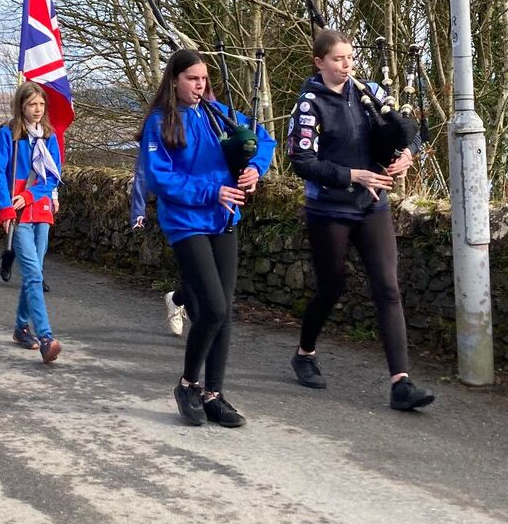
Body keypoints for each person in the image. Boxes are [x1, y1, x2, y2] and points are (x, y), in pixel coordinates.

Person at [286, 29, 435, 411]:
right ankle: (304, 353)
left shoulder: (369, 92)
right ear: (319, 63)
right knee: (332, 286)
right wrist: (355, 175)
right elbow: (302, 162)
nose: (346, 64)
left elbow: (410, 132)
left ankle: (401, 383)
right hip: (329, 209)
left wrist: (407, 156)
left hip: (373, 207)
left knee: (388, 288)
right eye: (337, 58)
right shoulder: (308, 105)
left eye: (349, 57)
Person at [141, 49, 275, 428]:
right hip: (186, 223)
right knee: (213, 307)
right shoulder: (159, 123)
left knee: (225, 310)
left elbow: (262, 139)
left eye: (203, 79)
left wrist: (254, 169)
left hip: (224, 218)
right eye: (191, 79)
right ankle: (188, 384)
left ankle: (214, 394)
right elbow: (158, 177)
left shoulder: (218, 113)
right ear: (174, 81)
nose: (199, 85)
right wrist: (210, 191)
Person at [0, 81, 63, 363]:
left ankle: (21, 327)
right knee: (33, 273)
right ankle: (45, 336)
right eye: (32, 104)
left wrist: (31, 194)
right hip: (17, 213)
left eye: (41, 104)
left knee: (36, 272)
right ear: (21, 105)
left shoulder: (49, 136)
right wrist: (6, 207)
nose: (37, 109)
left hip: (40, 208)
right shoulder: (8, 135)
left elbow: (53, 176)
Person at [130, 149, 189, 336]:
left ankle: (177, 300)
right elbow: (142, 172)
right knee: (198, 273)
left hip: (215, 207)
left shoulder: (215, 121)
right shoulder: (158, 124)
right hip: (180, 211)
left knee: (213, 275)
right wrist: (138, 212)